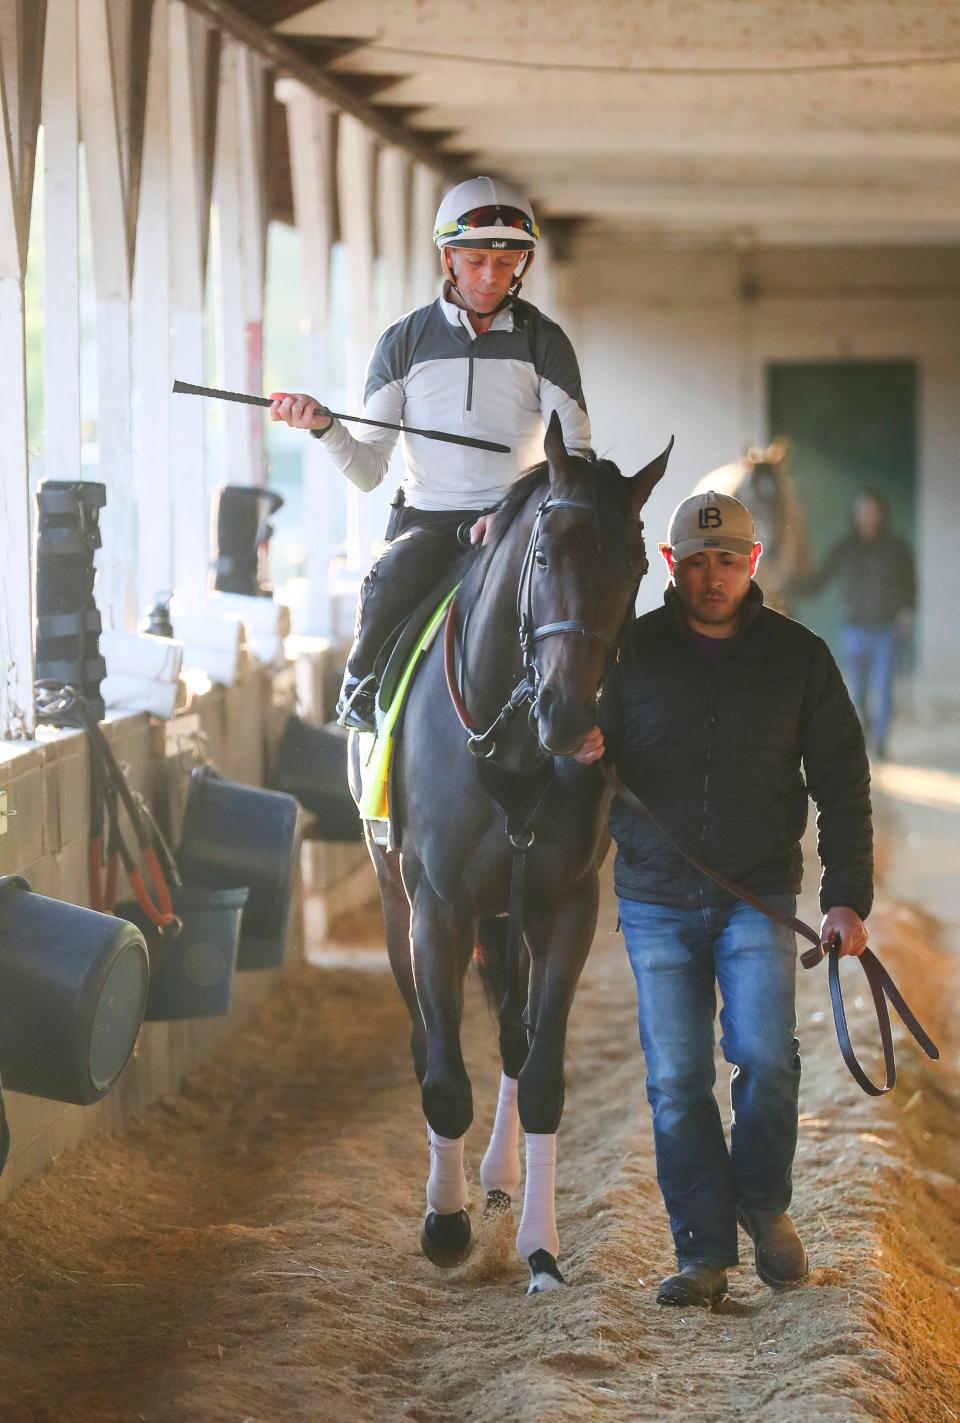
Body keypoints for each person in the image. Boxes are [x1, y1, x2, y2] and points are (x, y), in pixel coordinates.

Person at [575, 490, 873, 1308]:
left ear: (754, 563)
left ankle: (765, 1205)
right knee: (676, 1077)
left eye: (729, 560)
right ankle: (702, 1250)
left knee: (767, 1055)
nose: (714, 576)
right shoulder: (626, 652)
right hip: (656, 899)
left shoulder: (799, 657)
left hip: (759, 893)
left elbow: (844, 781)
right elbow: (578, 756)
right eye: (697, 561)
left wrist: (845, 897)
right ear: (671, 565)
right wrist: (577, 747)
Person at [270, 176, 592, 731]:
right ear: (448, 258)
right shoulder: (403, 341)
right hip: (429, 523)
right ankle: (359, 686)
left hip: (518, 523)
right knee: (392, 577)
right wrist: (325, 428)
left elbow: (577, 456)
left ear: (524, 262)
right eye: (474, 261)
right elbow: (370, 471)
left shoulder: (547, 341)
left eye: (506, 262)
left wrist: (513, 512)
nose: (491, 277)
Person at [789, 489, 916, 760]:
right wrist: (789, 583)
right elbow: (819, 580)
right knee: (857, 690)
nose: (868, 517)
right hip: (855, 629)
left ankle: (881, 743)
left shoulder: (897, 548)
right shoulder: (844, 548)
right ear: (855, 515)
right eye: (863, 512)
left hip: (887, 629)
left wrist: (908, 611)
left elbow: (911, 584)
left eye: (872, 511)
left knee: (883, 689)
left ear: (881, 514)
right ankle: (865, 732)